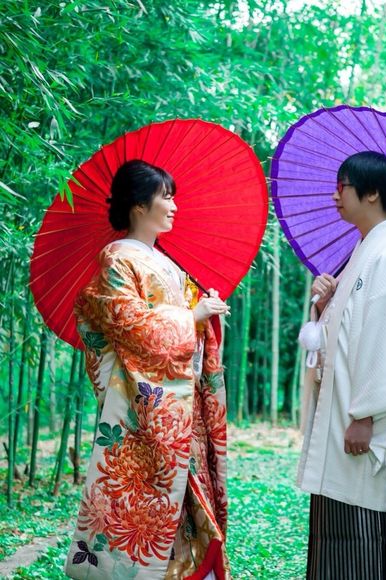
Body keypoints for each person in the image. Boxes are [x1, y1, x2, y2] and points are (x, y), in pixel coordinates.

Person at [64, 160, 231, 580]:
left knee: (187, 503)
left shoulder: (167, 263)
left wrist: (205, 316)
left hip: (181, 406)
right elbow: (129, 323)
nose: (174, 206)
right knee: (146, 501)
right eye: (166, 197)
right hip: (144, 410)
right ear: (139, 205)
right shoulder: (117, 259)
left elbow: (188, 329)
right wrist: (191, 317)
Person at [298, 151, 386, 579]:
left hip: (367, 425)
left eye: (343, 186)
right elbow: (349, 335)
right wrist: (326, 307)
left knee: (372, 540)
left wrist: (366, 415)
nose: (335, 195)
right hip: (349, 418)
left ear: (372, 193)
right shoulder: (366, 250)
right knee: (345, 535)